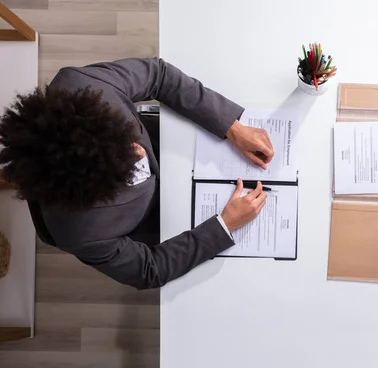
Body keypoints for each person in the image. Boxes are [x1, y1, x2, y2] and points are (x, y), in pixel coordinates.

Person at [0, 58, 275, 289]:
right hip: (152, 219)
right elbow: (149, 270)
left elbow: (159, 74)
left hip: (176, 141)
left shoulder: (82, 85)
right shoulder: (81, 232)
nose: (140, 153)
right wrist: (225, 225)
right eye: (124, 162)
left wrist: (233, 127)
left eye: (127, 140)